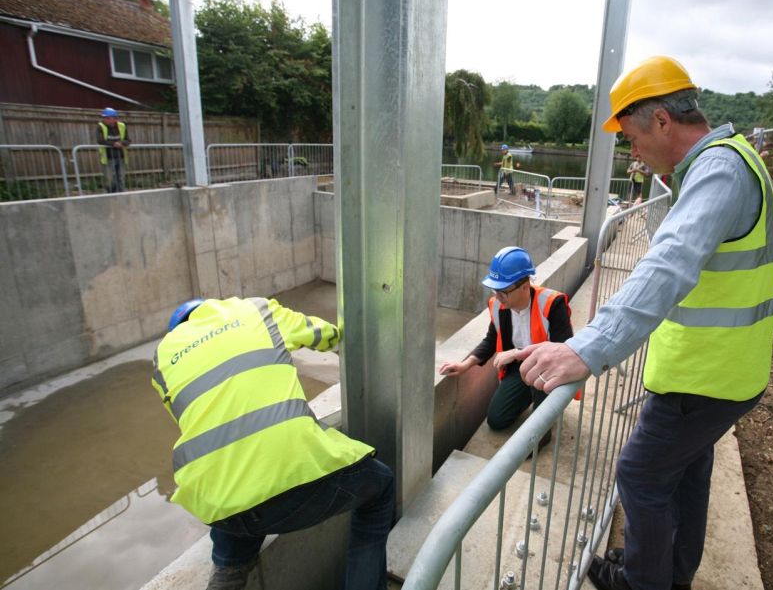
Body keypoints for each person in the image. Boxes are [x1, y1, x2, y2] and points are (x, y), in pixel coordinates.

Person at [514, 55, 773, 590]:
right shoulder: (729, 162)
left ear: (662, 120)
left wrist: (586, 349)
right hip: (719, 372)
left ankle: (643, 582)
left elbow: (668, 265)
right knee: (684, 478)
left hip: (705, 378)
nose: (632, 154)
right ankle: (665, 573)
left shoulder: (720, 170)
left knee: (640, 474)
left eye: (633, 138)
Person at [152, 297, 395, 590]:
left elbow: (190, 418)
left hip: (219, 507)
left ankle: (230, 568)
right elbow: (323, 334)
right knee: (381, 486)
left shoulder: (163, 357)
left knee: (231, 483)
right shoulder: (255, 309)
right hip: (298, 485)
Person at [438, 246, 572, 439]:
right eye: (495, 290)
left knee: (533, 441)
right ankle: (528, 396)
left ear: (525, 286)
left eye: (504, 291)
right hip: (521, 370)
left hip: (547, 370)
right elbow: (491, 339)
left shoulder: (552, 304)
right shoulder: (499, 307)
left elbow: (562, 349)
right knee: (496, 420)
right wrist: (465, 364)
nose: (498, 297)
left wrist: (517, 352)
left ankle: (546, 408)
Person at [96, 107, 130, 193]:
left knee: (121, 177)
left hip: (121, 156)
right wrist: (114, 144)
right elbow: (100, 140)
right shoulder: (101, 126)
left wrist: (122, 143)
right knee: (110, 178)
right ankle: (110, 194)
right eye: (105, 118)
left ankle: (122, 193)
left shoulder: (122, 126)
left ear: (114, 118)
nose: (106, 120)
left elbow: (128, 140)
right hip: (108, 157)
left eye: (108, 118)